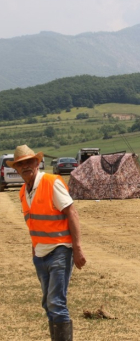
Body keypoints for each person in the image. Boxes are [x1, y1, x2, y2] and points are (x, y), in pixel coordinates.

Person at [7, 145, 86, 341]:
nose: (25, 167)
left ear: (37, 163)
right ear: (16, 169)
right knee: (48, 303)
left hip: (60, 249)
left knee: (56, 303)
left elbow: (72, 213)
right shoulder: (24, 191)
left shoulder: (51, 182)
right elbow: (35, 223)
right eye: (20, 164)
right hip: (40, 254)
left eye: (28, 162)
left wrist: (77, 248)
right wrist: (34, 249)